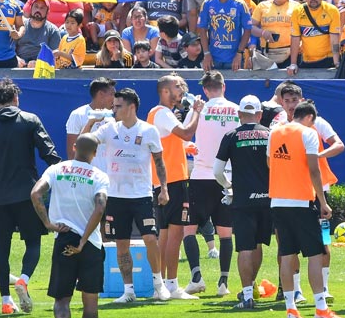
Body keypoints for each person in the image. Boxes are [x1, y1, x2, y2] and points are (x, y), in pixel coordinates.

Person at [0, 79, 61, 314]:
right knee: (33, 243)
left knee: (1, 249)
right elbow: (48, 153)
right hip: (27, 194)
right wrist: (64, 172)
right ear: (16, 98)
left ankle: (5, 301)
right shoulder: (30, 120)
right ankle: (23, 279)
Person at [82, 88, 170, 303]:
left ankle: (159, 285)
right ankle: (128, 290)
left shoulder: (148, 131)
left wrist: (164, 188)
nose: (114, 110)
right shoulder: (109, 129)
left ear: (132, 107)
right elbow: (83, 144)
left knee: (150, 238)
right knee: (122, 244)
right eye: (113, 106)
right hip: (116, 196)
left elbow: (159, 161)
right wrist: (92, 122)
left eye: (118, 106)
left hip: (141, 195)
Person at [30, 133, 107, 318]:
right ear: (95, 153)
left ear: (74, 147)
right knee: (90, 302)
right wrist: (84, 240)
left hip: (63, 239)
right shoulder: (99, 176)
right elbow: (100, 206)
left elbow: (35, 194)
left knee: (62, 299)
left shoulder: (56, 169)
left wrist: (47, 223)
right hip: (90, 244)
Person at [268, 100, 345, 318]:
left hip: (278, 201)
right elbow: (314, 169)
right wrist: (323, 201)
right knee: (315, 254)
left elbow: (269, 163)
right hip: (302, 201)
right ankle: (321, 308)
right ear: (310, 117)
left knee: (286, 254)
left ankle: (291, 309)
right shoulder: (308, 133)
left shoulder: (274, 133)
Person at [177, 71, 238, 296]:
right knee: (225, 232)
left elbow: (186, 134)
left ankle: (196, 278)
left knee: (189, 229)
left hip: (202, 175)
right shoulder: (236, 108)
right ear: (224, 86)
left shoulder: (199, 109)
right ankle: (223, 283)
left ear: (204, 89)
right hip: (228, 177)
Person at [148, 74, 203, 299]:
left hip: (163, 180)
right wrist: (197, 111)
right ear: (164, 91)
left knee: (165, 234)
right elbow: (186, 132)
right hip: (172, 180)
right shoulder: (162, 113)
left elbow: (176, 139)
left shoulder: (157, 114)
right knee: (175, 233)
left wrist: (184, 147)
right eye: (176, 87)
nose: (181, 90)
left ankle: (161, 285)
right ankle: (171, 284)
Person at [214, 95, 271, 309]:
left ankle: (247, 295)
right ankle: (284, 290)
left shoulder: (231, 135)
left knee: (245, 247)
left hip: (243, 199)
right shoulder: (270, 134)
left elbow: (217, 171)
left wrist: (229, 187)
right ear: (259, 114)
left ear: (239, 115)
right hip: (269, 198)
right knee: (258, 244)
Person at [196, 0, 251, 71]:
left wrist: (239, 53)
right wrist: (206, 53)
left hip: (234, 59)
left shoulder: (240, 5)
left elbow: (248, 30)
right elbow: (202, 29)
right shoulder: (208, 3)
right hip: (213, 58)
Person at [288, 0, 341, 73]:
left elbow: (335, 39)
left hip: (328, 59)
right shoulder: (297, 12)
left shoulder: (332, 10)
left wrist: (336, 62)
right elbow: (295, 39)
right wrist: (293, 64)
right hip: (307, 60)